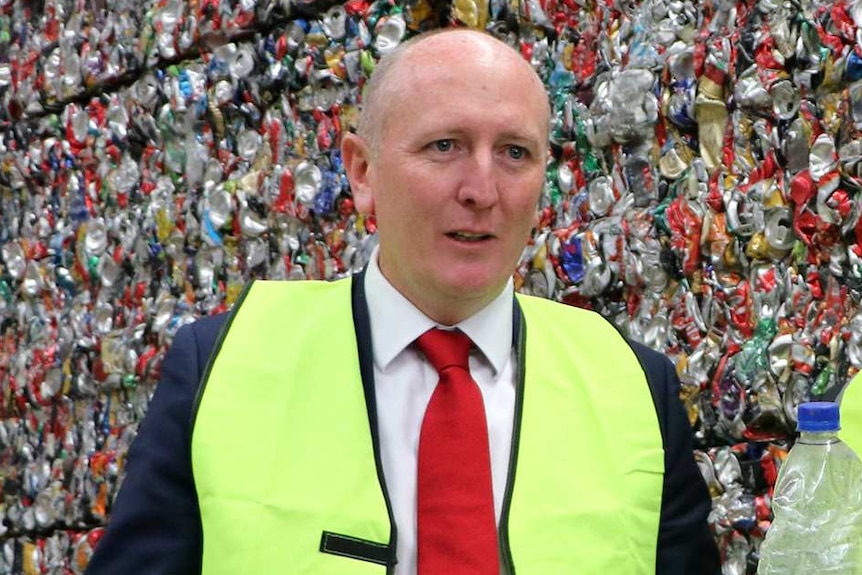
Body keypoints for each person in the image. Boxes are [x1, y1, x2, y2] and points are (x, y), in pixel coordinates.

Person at [85, 28, 720, 575]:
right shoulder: (221, 366)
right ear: (361, 173)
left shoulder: (636, 387)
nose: (481, 189)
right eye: (444, 146)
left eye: (514, 153)